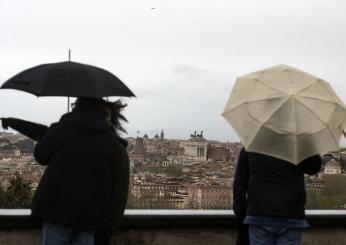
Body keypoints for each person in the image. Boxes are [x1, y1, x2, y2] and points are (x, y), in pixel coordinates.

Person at [29, 97, 129, 245]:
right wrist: (111, 226)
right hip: (91, 218)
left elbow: (40, 156)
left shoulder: (60, 129)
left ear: (77, 106)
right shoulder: (112, 143)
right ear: (102, 111)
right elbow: (119, 189)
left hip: (57, 212)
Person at [239, 149, 322, 245]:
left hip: (259, 213)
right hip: (290, 213)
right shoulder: (297, 144)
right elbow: (314, 167)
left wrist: (242, 216)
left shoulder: (254, 144)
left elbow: (241, 182)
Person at [233, 148, 250, 245]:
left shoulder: (249, 149)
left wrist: (240, 217)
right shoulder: (293, 148)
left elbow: (239, 189)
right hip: (291, 216)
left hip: (258, 216)